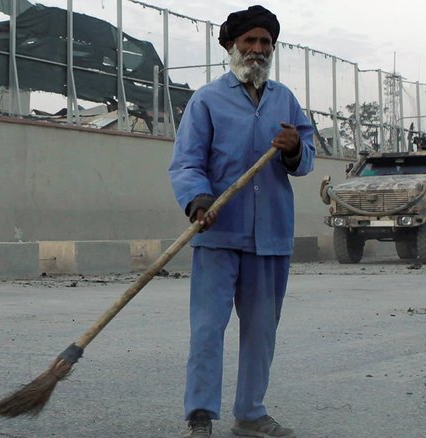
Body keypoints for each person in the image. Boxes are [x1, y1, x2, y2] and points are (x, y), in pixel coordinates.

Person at [167, 5, 315, 438]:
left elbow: (305, 158)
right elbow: (187, 162)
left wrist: (292, 148)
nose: (257, 49)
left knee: (261, 332)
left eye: (265, 42)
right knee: (208, 328)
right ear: (232, 46)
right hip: (218, 231)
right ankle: (200, 414)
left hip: (270, 236)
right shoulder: (207, 99)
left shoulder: (284, 99)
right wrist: (197, 201)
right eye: (249, 41)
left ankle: (250, 413)